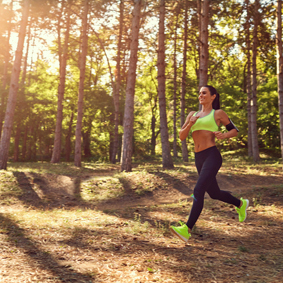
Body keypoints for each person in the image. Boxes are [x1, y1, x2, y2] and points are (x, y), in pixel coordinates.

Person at [170, 85, 249, 243]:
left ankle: (187, 229)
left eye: (204, 93)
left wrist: (224, 135)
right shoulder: (193, 114)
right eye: (199, 93)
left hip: (212, 155)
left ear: (213, 96)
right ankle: (240, 203)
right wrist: (190, 123)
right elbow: (181, 136)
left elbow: (234, 130)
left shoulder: (218, 113)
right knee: (214, 193)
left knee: (198, 190)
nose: (201, 95)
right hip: (198, 157)